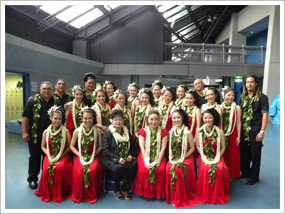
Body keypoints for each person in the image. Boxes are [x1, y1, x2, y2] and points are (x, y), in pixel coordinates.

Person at [22, 81, 56, 189]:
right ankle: (32, 179)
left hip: (51, 135)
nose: (46, 91)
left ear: (52, 90)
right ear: (40, 90)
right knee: (35, 158)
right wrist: (24, 132)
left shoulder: (56, 101)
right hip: (36, 135)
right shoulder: (32, 102)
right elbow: (26, 118)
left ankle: (47, 179)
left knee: (48, 157)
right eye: (44, 89)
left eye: (48, 89)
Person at [34, 106, 72, 203]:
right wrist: (49, 156)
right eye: (55, 118)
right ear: (51, 118)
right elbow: (43, 146)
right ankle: (48, 192)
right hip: (50, 155)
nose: (57, 121)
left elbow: (69, 146)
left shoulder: (66, 131)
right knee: (47, 168)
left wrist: (61, 156)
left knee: (58, 168)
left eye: (60, 119)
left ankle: (61, 191)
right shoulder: (46, 132)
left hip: (62, 155)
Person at [195, 108, 230, 205]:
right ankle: (206, 195)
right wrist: (203, 156)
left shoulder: (220, 131)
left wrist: (218, 157)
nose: (207, 120)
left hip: (217, 155)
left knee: (219, 168)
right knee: (206, 168)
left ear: (214, 119)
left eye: (210, 118)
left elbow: (223, 147)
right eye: (205, 118)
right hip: (204, 156)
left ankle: (217, 195)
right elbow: (197, 145)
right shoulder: (199, 131)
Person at [101, 109, 138, 200]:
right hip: (110, 158)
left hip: (125, 156)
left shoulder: (126, 131)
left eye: (120, 119)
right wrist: (117, 159)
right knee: (119, 167)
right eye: (115, 120)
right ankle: (116, 189)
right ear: (112, 121)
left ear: (123, 121)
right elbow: (105, 150)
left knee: (133, 164)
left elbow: (132, 146)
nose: (118, 122)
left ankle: (125, 188)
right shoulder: (108, 133)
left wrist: (130, 155)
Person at [131, 110, 168, 199]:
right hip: (145, 155)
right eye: (151, 119)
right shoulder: (142, 131)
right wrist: (146, 161)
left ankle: (157, 192)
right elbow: (142, 148)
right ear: (147, 120)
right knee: (144, 170)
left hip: (159, 155)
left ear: (159, 120)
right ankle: (145, 192)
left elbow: (163, 148)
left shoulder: (164, 132)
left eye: (156, 119)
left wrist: (158, 161)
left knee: (160, 170)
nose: (154, 121)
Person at [165, 108, 198, 208]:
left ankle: (181, 196)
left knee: (179, 169)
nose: (176, 120)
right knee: (169, 168)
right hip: (174, 157)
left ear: (182, 118)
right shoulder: (170, 132)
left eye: (178, 117)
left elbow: (192, 148)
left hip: (186, 156)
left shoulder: (187, 132)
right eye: (174, 118)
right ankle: (172, 196)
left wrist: (183, 157)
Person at [69, 108, 103, 203]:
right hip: (80, 155)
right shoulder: (77, 131)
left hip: (94, 155)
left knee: (91, 171)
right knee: (80, 172)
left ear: (93, 119)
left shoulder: (97, 130)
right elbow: (71, 146)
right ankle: (80, 194)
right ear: (82, 119)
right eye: (86, 118)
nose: (88, 121)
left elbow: (100, 146)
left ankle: (92, 194)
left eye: (90, 118)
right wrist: (79, 155)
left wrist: (93, 155)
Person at [239, 75, 269, 185]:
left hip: (256, 130)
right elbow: (241, 114)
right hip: (244, 129)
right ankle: (245, 172)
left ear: (256, 84)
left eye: (252, 82)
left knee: (255, 154)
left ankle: (254, 177)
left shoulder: (262, 97)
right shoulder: (243, 97)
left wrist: (262, 131)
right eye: (247, 82)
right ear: (245, 84)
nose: (249, 84)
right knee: (244, 153)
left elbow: (264, 115)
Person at [219, 87, 242, 180]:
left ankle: (231, 173)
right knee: (223, 152)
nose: (230, 97)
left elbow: (239, 122)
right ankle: (223, 173)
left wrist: (239, 136)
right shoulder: (220, 107)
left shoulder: (237, 107)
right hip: (223, 132)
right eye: (228, 95)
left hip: (233, 133)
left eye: (233, 95)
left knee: (232, 154)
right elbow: (219, 122)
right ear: (224, 96)